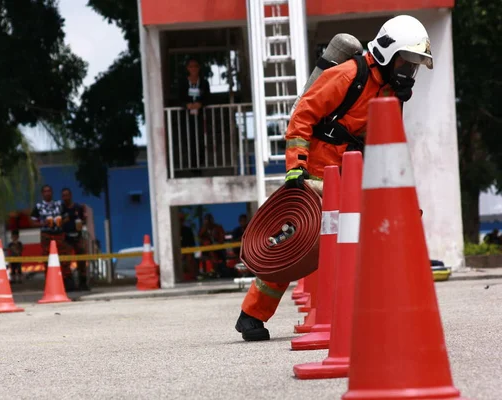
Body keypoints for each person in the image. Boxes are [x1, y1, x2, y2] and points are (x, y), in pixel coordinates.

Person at [235, 15, 434, 341]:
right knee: (295, 245)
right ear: (387, 53)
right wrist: (296, 168)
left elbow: (383, 143)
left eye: (413, 66)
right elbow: (303, 116)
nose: (408, 72)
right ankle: (251, 315)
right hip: (315, 172)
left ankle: (383, 308)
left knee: (385, 232)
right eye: (406, 62)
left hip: (351, 175)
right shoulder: (348, 75)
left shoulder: (388, 93)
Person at [30, 185, 70, 285]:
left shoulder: (59, 204)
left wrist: (61, 222)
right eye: (45, 191)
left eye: (49, 191)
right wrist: (43, 224)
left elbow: (67, 217)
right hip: (46, 235)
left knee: (63, 258)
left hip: (59, 234)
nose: (47, 193)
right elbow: (32, 222)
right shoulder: (39, 207)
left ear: (52, 192)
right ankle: (50, 282)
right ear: (42, 194)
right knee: (47, 259)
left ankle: (66, 281)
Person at [178, 58, 211, 173]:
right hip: (187, 117)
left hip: (200, 115)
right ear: (187, 68)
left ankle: (200, 163)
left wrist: (200, 104)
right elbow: (179, 98)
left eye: (195, 66)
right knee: (190, 139)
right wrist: (187, 105)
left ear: (199, 68)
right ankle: (193, 166)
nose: (193, 69)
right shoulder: (183, 82)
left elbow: (208, 98)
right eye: (191, 66)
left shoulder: (204, 82)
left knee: (201, 139)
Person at [60, 188, 89, 291]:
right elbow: (57, 223)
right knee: (65, 261)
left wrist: (83, 219)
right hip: (66, 237)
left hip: (78, 236)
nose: (65, 197)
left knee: (81, 259)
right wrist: (64, 221)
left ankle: (83, 283)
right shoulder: (61, 208)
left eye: (67, 195)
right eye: (63, 196)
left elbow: (84, 219)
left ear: (71, 195)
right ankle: (69, 284)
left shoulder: (78, 207)